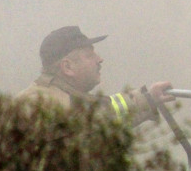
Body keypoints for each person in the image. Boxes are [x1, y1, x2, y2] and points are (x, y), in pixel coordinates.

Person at [16, 26, 172, 125]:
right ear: (67, 67)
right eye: (90, 55)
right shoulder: (45, 105)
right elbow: (99, 121)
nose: (100, 59)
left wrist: (148, 98)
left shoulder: (62, 96)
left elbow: (105, 112)